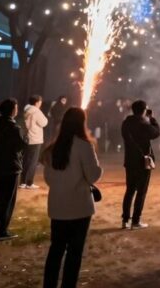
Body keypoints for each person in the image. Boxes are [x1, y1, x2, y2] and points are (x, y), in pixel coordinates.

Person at [42, 107, 103, 288]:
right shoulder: (84, 145)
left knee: (56, 250)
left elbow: (48, 178)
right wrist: (98, 167)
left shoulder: (53, 148)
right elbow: (93, 175)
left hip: (58, 206)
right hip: (79, 207)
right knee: (74, 253)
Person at [0, 98, 25, 241]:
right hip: (11, 166)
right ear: (12, 110)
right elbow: (20, 146)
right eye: (16, 107)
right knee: (8, 200)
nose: (17, 109)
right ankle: (2, 230)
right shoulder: (14, 128)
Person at [120, 100, 160, 229]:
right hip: (143, 162)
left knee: (129, 191)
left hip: (130, 161)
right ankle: (136, 221)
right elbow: (156, 133)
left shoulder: (126, 123)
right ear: (144, 110)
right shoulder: (144, 124)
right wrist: (152, 119)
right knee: (141, 192)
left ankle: (125, 220)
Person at [21, 95, 48, 189]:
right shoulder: (36, 111)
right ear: (37, 102)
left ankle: (23, 181)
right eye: (40, 102)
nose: (41, 104)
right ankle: (29, 182)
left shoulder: (26, 110)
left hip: (27, 138)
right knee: (32, 161)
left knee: (26, 160)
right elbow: (44, 122)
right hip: (35, 139)